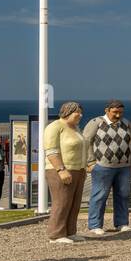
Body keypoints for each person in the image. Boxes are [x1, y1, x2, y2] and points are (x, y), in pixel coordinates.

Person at [82, 99, 131, 235]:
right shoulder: (96, 123)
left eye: (121, 112)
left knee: (123, 194)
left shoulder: (127, 123)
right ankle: (95, 225)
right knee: (100, 195)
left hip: (124, 166)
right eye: (115, 112)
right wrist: (90, 162)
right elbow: (86, 142)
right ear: (107, 110)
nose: (118, 115)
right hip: (102, 166)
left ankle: (122, 223)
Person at [43, 102, 88, 244]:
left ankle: (70, 231)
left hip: (78, 170)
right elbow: (51, 151)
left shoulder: (76, 128)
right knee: (61, 202)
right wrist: (61, 169)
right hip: (60, 170)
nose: (80, 115)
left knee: (74, 203)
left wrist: (85, 167)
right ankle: (56, 233)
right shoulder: (55, 127)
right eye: (77, 112)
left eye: (81, 112)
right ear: (67, 112)